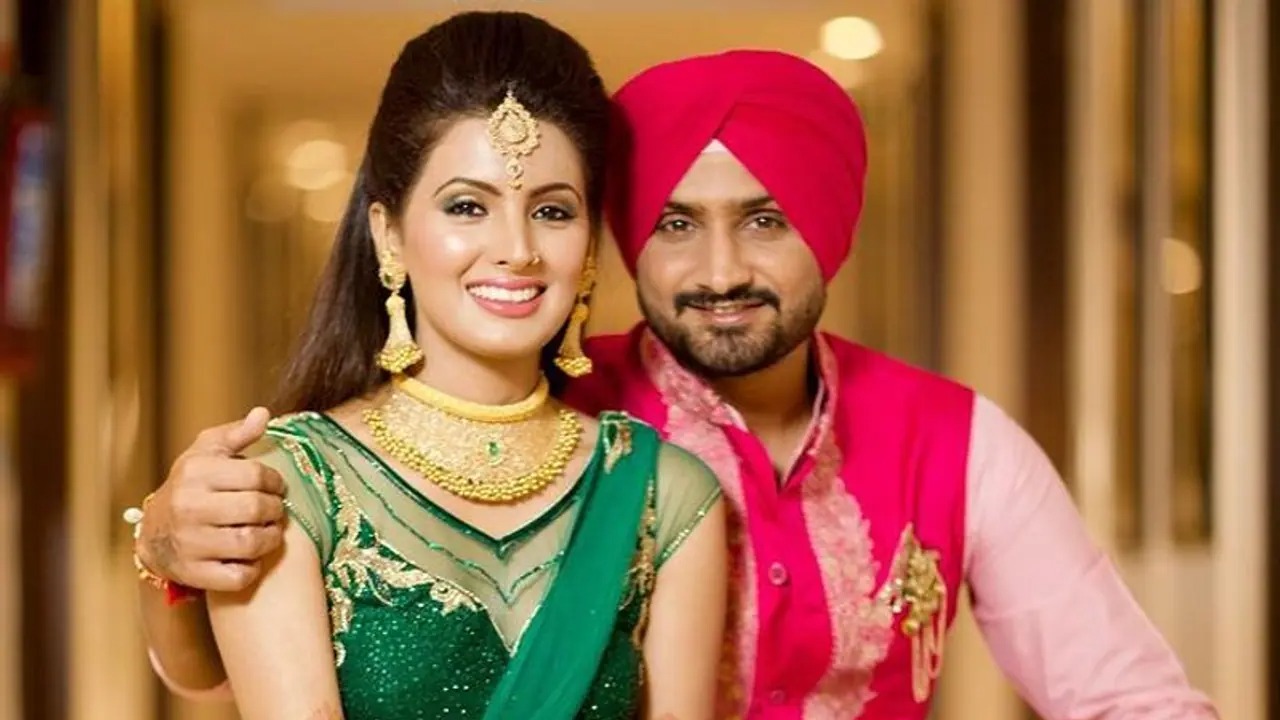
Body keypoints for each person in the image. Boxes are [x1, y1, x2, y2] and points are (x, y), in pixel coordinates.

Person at [133, 46, 1217, 720]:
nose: (720, 273)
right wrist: (167, 542)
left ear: (830, 229)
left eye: (766, 220)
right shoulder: (551, 413)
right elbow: (227, 666)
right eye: (675, 225)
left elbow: (1126, 697)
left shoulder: (956, 442)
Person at [131, 11, 728, 720]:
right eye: (468, 206)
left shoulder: (660, 491)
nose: (518, 250)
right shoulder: (294, 482)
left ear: (591, 247)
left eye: (553, 212)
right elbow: (207, 679)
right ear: (389, 235)